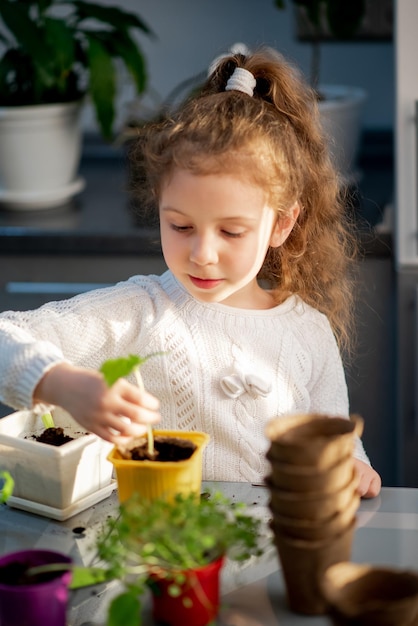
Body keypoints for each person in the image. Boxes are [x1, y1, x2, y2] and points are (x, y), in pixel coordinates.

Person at [0, 47, 381, 497]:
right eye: (180, 226)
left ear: (282, 223)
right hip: (163, 546)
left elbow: (340, 442)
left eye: (232, 232)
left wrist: (354, 466)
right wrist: (60, 383)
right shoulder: (141, 310)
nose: (202, 253)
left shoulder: (310, 333)